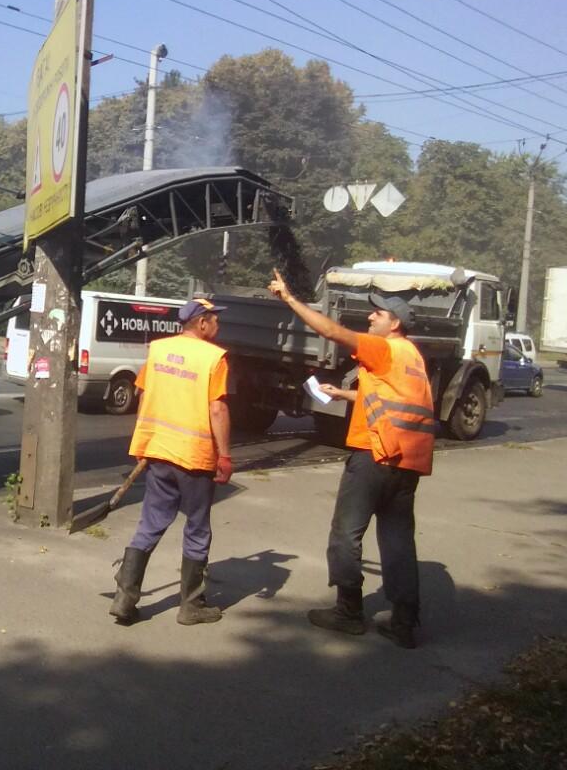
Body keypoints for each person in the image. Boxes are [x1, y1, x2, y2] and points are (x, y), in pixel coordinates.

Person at [267, 269, 435, 649]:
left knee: (346, 533)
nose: (370, 316)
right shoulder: (412, 357)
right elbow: (396, 399)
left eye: (378, 313)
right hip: (406, 463)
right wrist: (345, 395)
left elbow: (331, 331)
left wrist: (289, 299)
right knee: (398, 539)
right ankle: (404, 622)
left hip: (375, 455)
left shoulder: (384, 348)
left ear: (395, 324)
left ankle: (348, 613)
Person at [109, 297, 232, 627]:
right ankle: (191, 606)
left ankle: (125, 598)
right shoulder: (213, 357)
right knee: (197, 528)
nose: (218, 324)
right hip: (194, 457)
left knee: (150, 523)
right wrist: (224, 455)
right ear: (202, 323)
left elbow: (144, 396)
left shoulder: (159, 350)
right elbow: (217, 409)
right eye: (214, 319)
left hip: (159, 451)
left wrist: (143, 442)